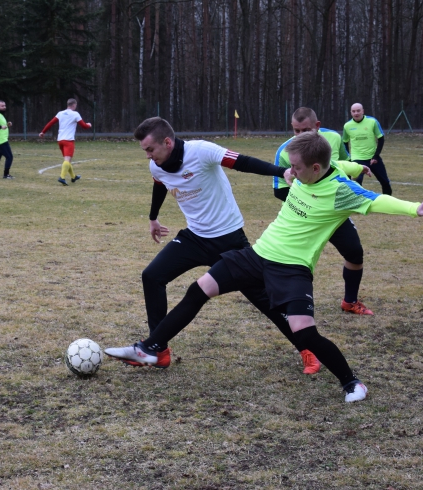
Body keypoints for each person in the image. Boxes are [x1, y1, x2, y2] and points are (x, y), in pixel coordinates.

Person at [106, 131, 423, 403]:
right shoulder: (307, 174)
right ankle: (150, 348)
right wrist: (339, 166)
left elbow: (376, 201)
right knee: (200, 289)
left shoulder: (340, 191)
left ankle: (351, 381)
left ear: (315, 168)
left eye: (295, 168)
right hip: (256, 255)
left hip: (292, 269)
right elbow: (336, 164)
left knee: (305, 332)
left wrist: (414, 206)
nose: (290, 174)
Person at [125, 116, 322, 375]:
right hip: (194, 238)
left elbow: (243, 162)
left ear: (167, 142)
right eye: (145, 152)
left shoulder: (202, 151)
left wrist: (280, 171)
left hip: (229, 238)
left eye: (150, 149)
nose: (148, 156)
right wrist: (153, 218)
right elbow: (160, 184)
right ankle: (157, 349)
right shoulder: (157, 166)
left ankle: (308, 349)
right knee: (152, 276)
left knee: (264, 298)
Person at [275, 107, 376, 316]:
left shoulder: (334, 139)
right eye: (296, 131)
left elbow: (341, 164)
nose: (301, 136)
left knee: (354, 252)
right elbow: (280, 190)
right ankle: (285, 305)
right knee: (293, 261)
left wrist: (355, 170)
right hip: (305, 215)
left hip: (332, 212)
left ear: (317, 126)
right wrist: (310, 201)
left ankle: (350, 301)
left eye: (306, 130)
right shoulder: (285, 151)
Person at [39, 98, 93, 185]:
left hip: (60, 140)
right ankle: (62, 177)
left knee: (67, 160)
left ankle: (73, 177)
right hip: (69, 141)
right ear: (74, 105)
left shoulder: (60, 113)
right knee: (67, 160)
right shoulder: (75, 114)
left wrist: (43, 132)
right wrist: (89, 125)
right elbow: (84, 126)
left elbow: (50, 123)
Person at [342, 103, 391, 195]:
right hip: (357, 158)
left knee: (385, 182)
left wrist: (376, 156)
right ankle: (359, 204)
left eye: (358, 110)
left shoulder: (372, 122)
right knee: (357, 182)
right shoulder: (347, 126)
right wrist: (349, 158)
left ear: (363, 111)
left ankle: (388, 204)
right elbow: (344, 142)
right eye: (353, 111)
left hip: (373, 158)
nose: (356, 113)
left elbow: (381, 138)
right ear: (351, 113)